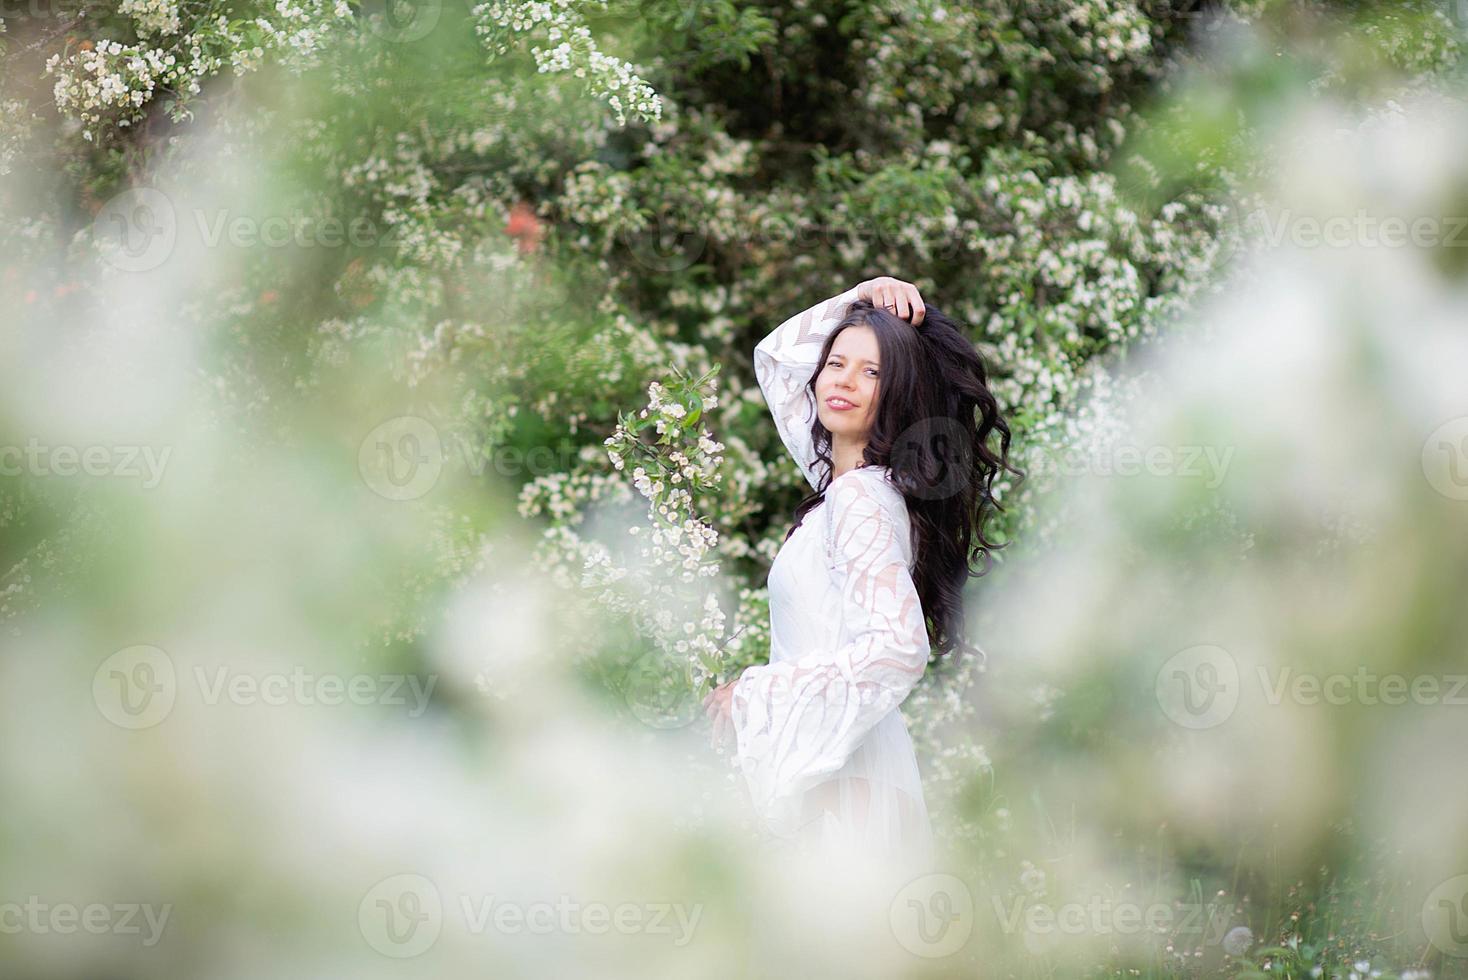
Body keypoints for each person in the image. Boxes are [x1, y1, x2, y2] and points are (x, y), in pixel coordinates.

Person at [702, 275, 1020, 873]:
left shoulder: (861, 501)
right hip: (839, 761)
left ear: (899, 395)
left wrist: (754, 694)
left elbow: (899, 648)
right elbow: (776, 360)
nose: (844, 381)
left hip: (844, 776)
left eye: (872, 373)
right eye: (836, 363)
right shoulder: (844, 488)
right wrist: (861, 296)